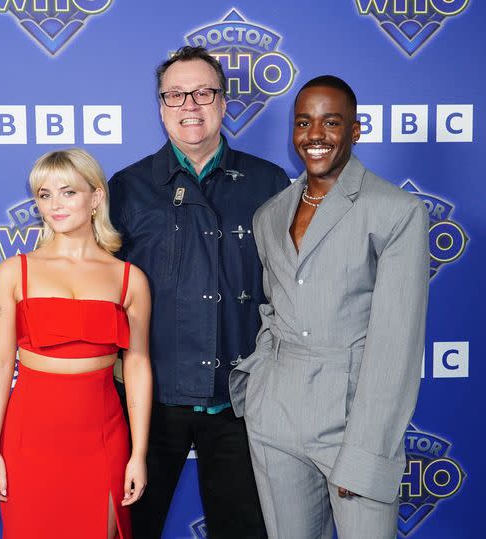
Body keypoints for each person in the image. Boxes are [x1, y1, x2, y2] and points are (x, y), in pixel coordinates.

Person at [229, 76, 430, 538]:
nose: (314, 135)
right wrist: (259, 391)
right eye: (304, 122)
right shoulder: (271, 213)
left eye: (330, 122)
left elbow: (396, 348)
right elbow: (274, 308)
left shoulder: (396, 211)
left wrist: (364, 453)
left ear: (355, 130)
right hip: (275, 416)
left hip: (350, 421)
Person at [108, 46, 290, 538]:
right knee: (130, 527)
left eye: (203, 92)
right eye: (175, 95)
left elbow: (293, 289)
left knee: (245, 530)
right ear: (161, 106)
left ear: (224, 102)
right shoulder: (125, 188)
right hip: (150, 401)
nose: (190, 105)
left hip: (241, 400)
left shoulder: (270, 182)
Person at [0, 148, 152, 539]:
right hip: (30, 440)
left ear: (96, 197)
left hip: (102, 438)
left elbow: (138, 366)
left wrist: (138, 454)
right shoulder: (12, 272)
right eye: (44, 194)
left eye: (68, 192)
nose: (54, 204)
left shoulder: (129, 279)